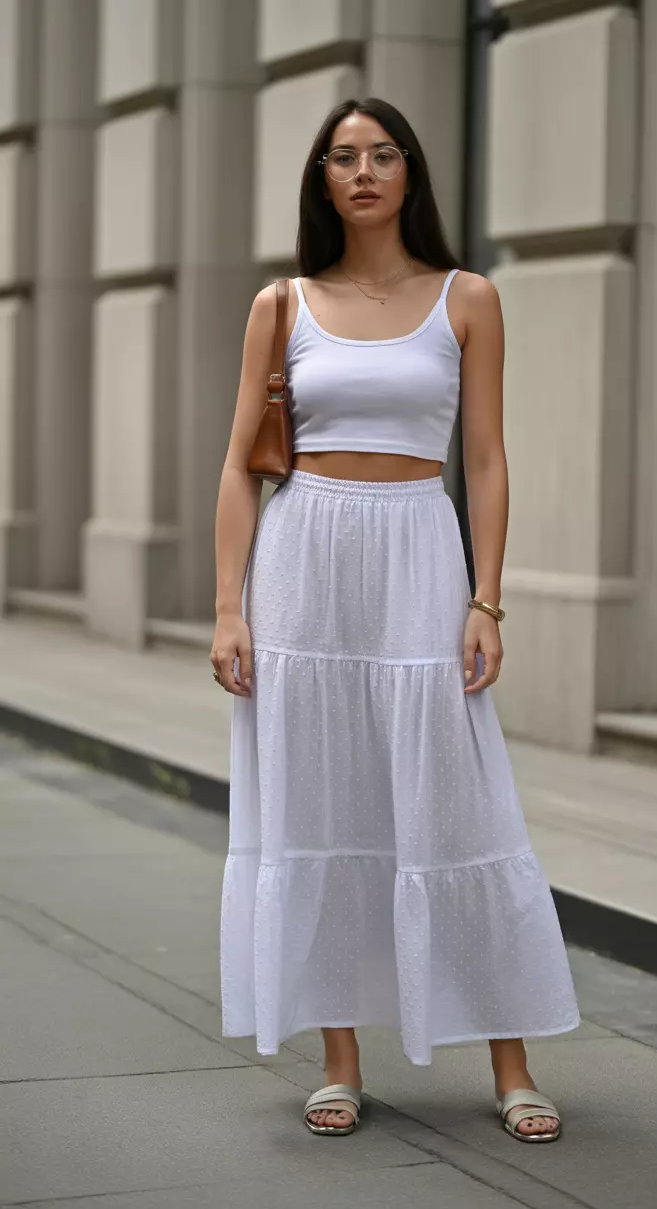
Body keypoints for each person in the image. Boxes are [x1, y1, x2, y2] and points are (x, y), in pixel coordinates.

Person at [211, 97, 581, 1142]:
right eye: (342, 156)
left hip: (420, 547)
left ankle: (510, 1062)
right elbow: (240, 467)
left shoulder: (468, 298)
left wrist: (486, 597)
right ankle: (339, 1059)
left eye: (382, 154)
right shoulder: (280, 304)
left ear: (411, 172)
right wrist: (228, 609)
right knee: (317, 800)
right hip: (305, 560)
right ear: (321, 179)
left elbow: (487, 458)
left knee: (458, 802)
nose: (363, 171)